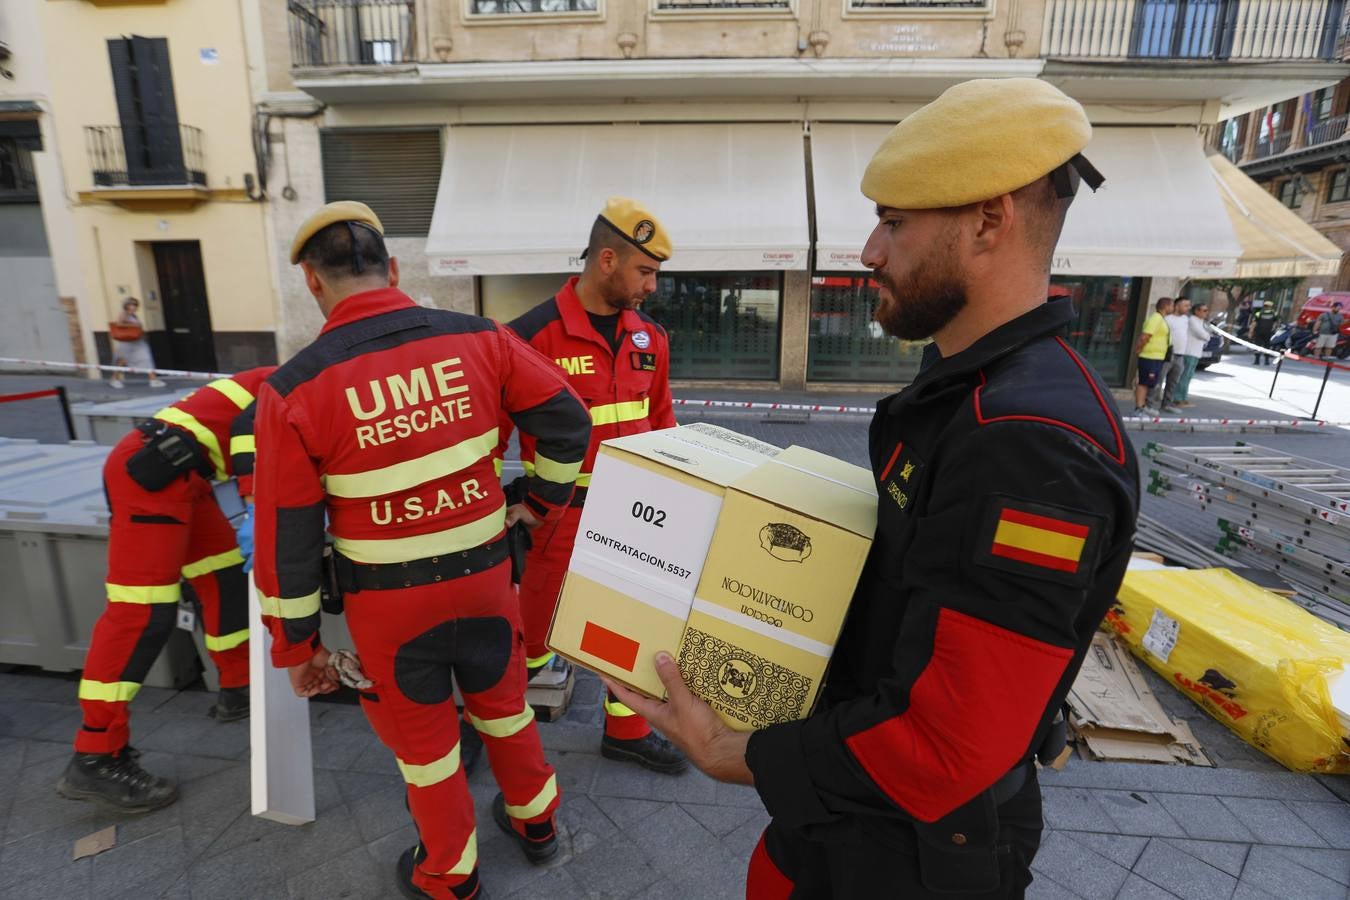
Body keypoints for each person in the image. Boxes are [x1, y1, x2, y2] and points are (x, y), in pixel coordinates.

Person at [606, 77, 1140, 898]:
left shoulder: (1031, 447)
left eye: (894, 222)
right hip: (852, 811)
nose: (869, 251)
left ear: (989, 221)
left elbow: (946, 749)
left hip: (912, 856)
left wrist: (732, 753)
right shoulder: (968, 388)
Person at [252, 201, 591, 900]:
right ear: (394, 270)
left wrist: (299, 648)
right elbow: (568, 423)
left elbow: (284, 534)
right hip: (490, 579)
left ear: (313, 285)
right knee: (508, 709)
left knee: (428, 750)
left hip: (389, 610)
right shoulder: (484, 340)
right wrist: (538, 507)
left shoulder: (292, 389)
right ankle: (538, 826)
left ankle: (449, 875)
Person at [502, 197, 687, 775]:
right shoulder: (528, 336)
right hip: (555, 519)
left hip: (630, 517)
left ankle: (625, 731)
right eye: (645, 271)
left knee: (625, 631)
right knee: (529, 636)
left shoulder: (650, 339)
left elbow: (661, 422)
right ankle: (497, 731)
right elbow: (487, 432)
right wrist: (497, 508)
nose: (652, 286)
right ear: (607, 259)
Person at [56, 368, 273, 811]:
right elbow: (251, 431)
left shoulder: (321, 373)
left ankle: (238, 688)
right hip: (150, 478)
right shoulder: (307, 379)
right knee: (141, 615)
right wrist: (256, 507)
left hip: (187, 479)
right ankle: (95, 754)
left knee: (226, 576)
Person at [109, 297, 167, 389]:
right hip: (127, 342)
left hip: (137, 342)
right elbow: (119, 324)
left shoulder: (134, 315)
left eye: (135, 305)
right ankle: (115, 379)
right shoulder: (124, 314)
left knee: (147, 358)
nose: (134, 307)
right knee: (122, 361)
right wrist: (133, 325)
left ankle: (153, 380)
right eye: (132, 304)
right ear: (127, 306)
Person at [1134, 296, 1172, 414]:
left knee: (1149, 383)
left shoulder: (1161, 319)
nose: (1173, 308)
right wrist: (1139, 349)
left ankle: (1143, 406)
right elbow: (1145, 336)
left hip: (1157, 357)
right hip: (1149, 356)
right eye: (1172, 305)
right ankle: (1139, 408)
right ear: (1166, 306)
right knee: (1144, 382)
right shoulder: (1156, 319)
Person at [1174, 302, 1212, 406]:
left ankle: (1183, 397)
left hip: (1196, 352)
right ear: (1196, 311)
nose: (1206, 313)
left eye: (1207, 310)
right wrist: (1207, 336)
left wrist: (1207, 335)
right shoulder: (1192, 320)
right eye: (1204, 310)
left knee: (1189, 376)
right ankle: (1177, 398)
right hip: (1189, 352)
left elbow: (1206, 334)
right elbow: (1203, 335)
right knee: (1185, 376)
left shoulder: (1201, 321)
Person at [1159, 297, 1191, 414]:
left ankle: (1166, 404)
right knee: (1159, 380)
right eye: (1186, 305)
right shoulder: (1167, 319)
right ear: (1177, 306)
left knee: (1173, 382)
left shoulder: (1186, 320)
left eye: (1189, 305)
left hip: (1180, 355)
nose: (1188, 308)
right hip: (1167, 354)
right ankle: (1149, 404)